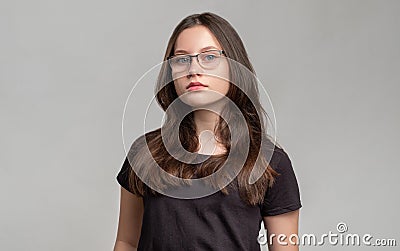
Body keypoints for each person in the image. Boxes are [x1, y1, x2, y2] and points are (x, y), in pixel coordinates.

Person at [114, 12, 302, 251]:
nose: (193, 69)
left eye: (209, 57)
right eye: (182, 59)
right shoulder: (145, 152)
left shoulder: (269, 161)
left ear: (234, 66)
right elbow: (127, 241)